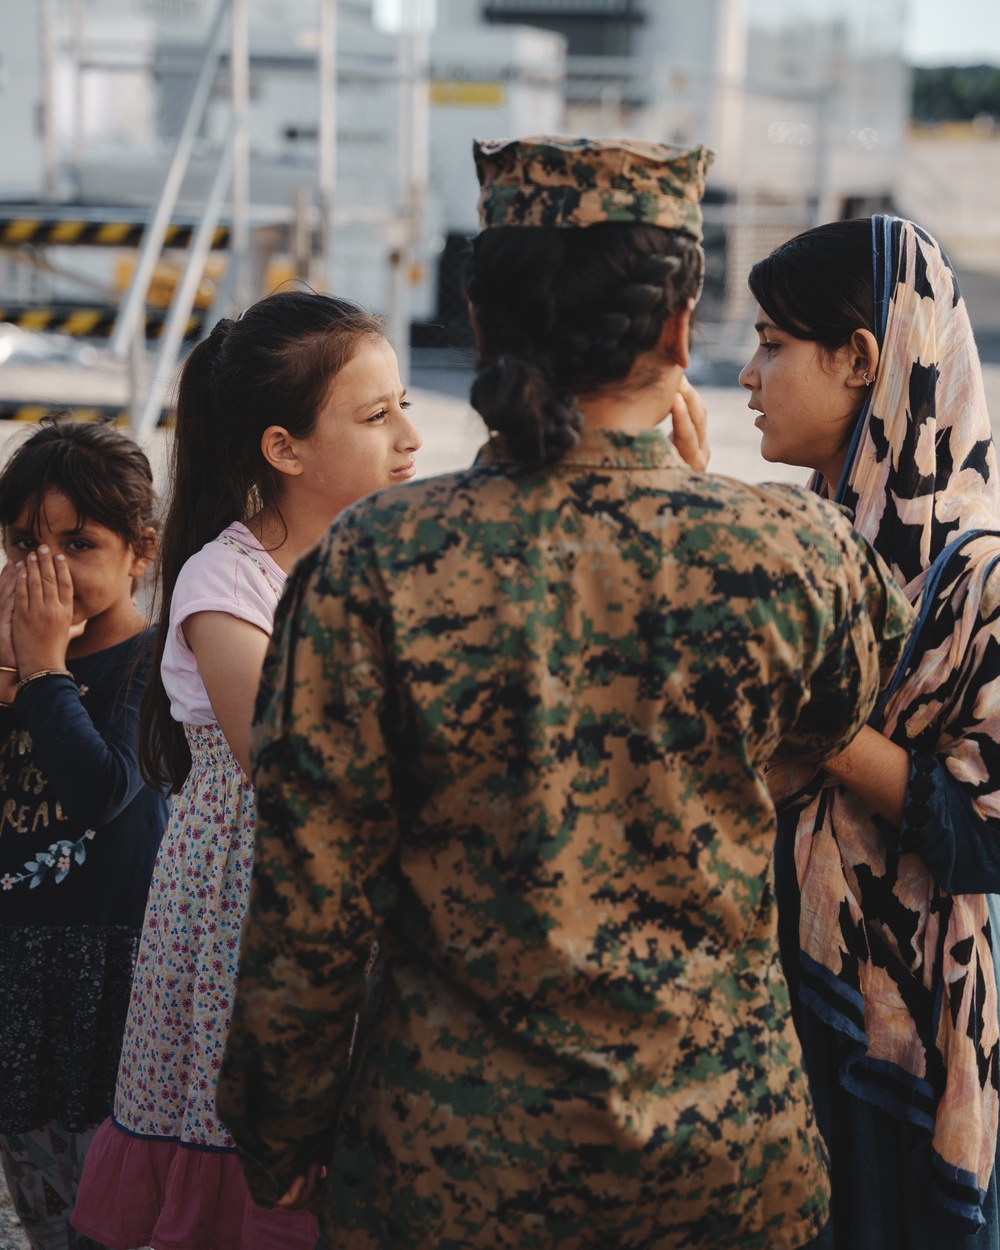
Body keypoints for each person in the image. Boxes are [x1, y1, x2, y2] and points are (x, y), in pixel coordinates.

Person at [215, 137, 915, 1250]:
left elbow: (308, 897)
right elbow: (835, 714)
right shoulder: (797, 554)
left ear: (483, 327)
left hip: (444, 1170)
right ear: (680, 332)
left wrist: (277, 1120)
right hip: (723, 1169)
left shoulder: (371, 563)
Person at [72, 290, 422, 1250]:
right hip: (254, 912)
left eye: (404, 404)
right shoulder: (226, 580)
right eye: (376, 414)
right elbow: (292, 764)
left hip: (364, 896)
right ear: (283, 448)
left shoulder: (387, 560)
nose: (411, 436)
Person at [740, 215, 1000, 1249]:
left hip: (899, 1038)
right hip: (779, 1005)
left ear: (859, 359)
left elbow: (985, 833)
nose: (749, 374)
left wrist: (824, 726)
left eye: (771, 344)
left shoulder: (975, 579)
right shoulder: (798, 542)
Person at [0, 418, 165, 1250]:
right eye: (24, 540)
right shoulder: (11, 660)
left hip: (109, 971)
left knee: (109, 1207)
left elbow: (103, 789)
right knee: (40, 1200)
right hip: (20, 967)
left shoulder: (153, 663)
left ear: (141, 551)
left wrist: (42, 670)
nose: (43, 567)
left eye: (77, 543)